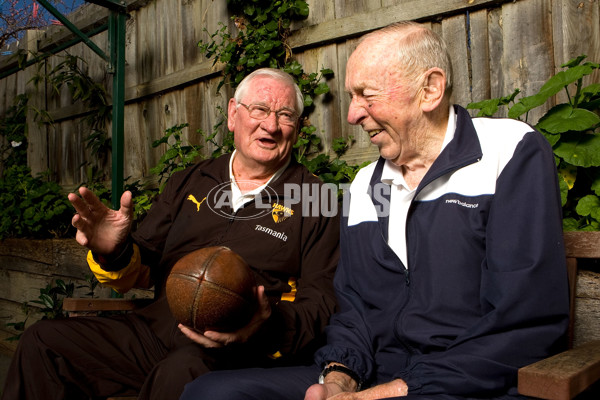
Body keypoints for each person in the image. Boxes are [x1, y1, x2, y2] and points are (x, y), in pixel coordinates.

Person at [179, 21, 570, 400]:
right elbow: (354, 311)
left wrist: (400, 390)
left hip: (474, 383)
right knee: (209, 392)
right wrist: (339, 379)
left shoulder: (509, 151)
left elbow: (524, 323)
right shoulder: (366, 184)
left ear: (430, 90)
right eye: (352, 97)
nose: (352, 114)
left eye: (367, 95)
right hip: (378, 378)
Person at [1, 68, 340, 400]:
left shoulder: (316, 199)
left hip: (235, 350)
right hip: (153, 331)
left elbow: (321, 303)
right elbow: (145, 264)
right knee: (45, 342)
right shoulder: (190, 180)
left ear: (297, 128)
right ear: (234, 115)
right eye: (260, 110)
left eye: (285, 115)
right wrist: (115, 250)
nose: (271, 125)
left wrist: (263, 327)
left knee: (181, 375)